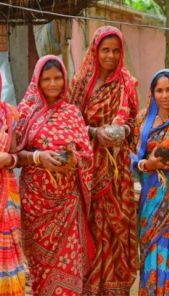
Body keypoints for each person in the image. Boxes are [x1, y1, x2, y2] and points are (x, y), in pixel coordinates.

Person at [15, 55, 94, 295]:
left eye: (57, 78)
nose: (52, 84)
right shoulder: (25, 113)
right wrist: (39, 158)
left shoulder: (72, 113)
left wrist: (73, 159)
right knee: (41, 268)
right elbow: (14, 154)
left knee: (70, 265)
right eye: (46, 79)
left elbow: (87, 155)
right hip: (36, 206)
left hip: (68, 205)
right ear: (37, 82)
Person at [70, 26, 138, 295]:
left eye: (116, 51)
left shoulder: (127, 83)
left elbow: (134, 123)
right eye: (105, 50)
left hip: (117, 171)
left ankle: (115, 287)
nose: (110, 56)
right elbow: (70, 124)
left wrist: (125, 131)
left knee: (114, 231)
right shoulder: (80, 83)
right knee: (91, 229)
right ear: (95, 51)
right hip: (87, 171)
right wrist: (94, 132)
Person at [131, 69, 169, 295]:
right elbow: (130, 157)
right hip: (151, 201)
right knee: (153, 250)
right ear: (153, 93)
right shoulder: (143, 121)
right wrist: (149, 165)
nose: (165, 95)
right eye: (160, 90)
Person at [0, 74, 25, 295]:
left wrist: (9, 159)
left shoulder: (10, 114)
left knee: (8, 244)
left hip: (6, 190)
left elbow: (18, 153)